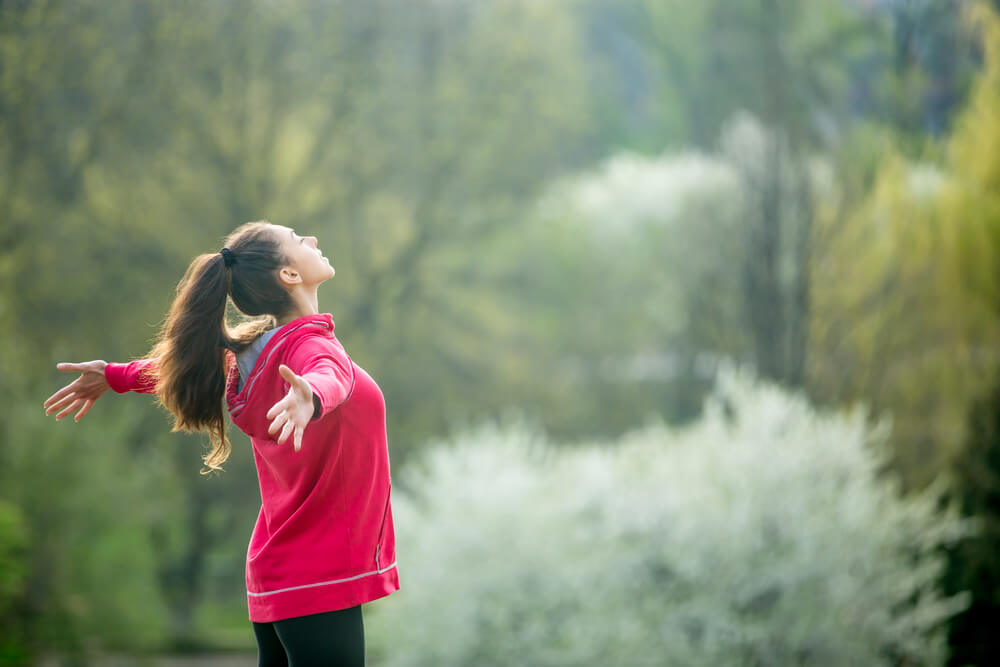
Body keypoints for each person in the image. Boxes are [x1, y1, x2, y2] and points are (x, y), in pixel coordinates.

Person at [42, 221, 398, 666]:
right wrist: (312, 394)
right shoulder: (308, 346)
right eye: (297, 239)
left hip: (282, 573)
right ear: (289, 275)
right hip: (317, 575)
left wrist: (115, 375)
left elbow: (185, 367)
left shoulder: (256, 353)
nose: (312, 240)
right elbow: (329, 373)